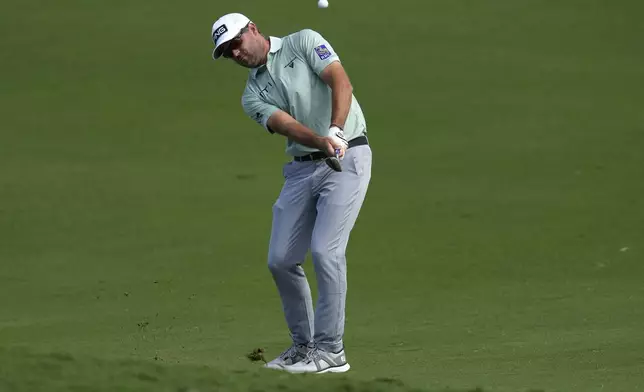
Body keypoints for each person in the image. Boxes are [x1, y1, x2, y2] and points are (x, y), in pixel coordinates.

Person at [211, 12, 372, 374]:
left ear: (253, 29)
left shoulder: (303, 41)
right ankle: (304, 348)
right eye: (227, 53)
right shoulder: (251, 95)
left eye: (236, 43)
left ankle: (331, 352)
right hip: (302, 169)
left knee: (326, 250)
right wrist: (319, 140)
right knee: (280, 259)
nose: (235, 54)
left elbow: (340, 81)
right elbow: (286, 125)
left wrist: (336, 131)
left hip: (348, 156)